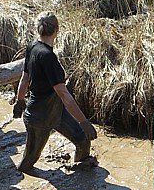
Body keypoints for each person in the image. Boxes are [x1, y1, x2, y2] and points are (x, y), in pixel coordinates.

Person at [14, 12, 98, 173]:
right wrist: (83, 121)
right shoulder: (47, 57)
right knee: (29, 160)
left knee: (82, 140)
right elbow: (64, 95)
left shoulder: (33, 47)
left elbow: (24, 78)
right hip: (39, 117)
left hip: (56, 113)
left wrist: (19, 100)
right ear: (57, 30)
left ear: (38, 29)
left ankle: (81, 174)